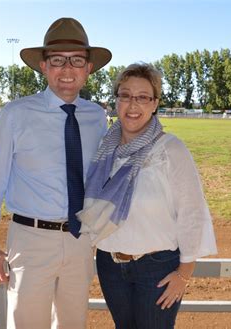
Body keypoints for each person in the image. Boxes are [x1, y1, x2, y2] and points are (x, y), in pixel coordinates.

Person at [0, 17, 112, 329]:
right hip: (31, 240)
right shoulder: (15, 115)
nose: (67, 70)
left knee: (72, 324)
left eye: (76, 60)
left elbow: (99, 180)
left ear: (89, 68)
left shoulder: (96, 117)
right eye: (57, 60)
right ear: (44, 66)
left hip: (80, 240)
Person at [77, 63, 217, 328]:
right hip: (110, 263)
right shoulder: (104, 149)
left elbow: (192, 212)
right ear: (116, 100)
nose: (133, 105)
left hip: (156, 268)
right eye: (126, 95)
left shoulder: (170, 149)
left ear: (155, 104)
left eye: (142, 97)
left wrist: (184, 274)